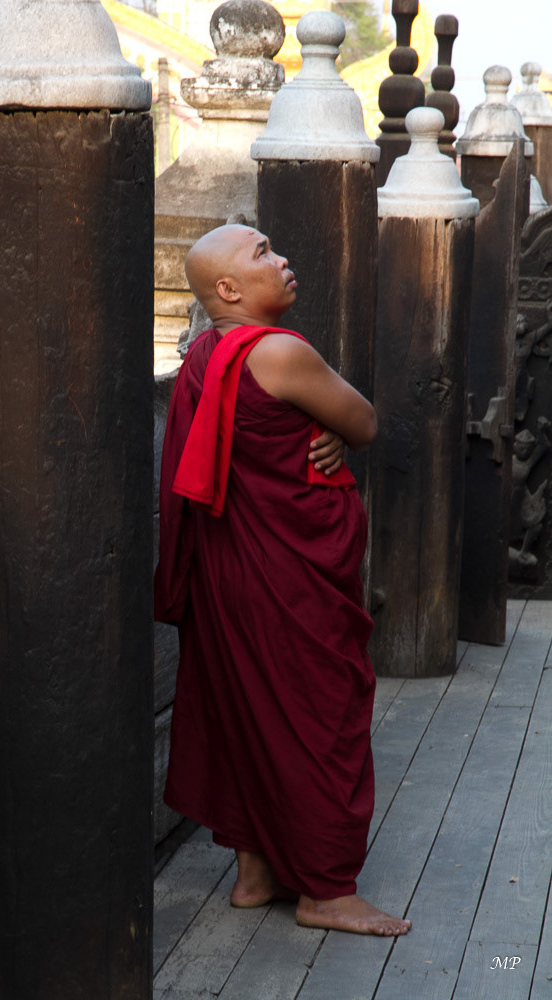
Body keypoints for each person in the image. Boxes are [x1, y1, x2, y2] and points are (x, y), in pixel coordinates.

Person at [154, 223, 411, 936]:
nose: (284, 258)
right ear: (228, 290)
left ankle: (254, 872)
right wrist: (329, 429)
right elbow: (361, 421)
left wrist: (310, 430)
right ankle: (327, 891)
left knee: (246, 709)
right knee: (316, 713)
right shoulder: (276, 350)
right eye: (262, 253)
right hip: (283, 577)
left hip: (228, 570)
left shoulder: (206, 351)